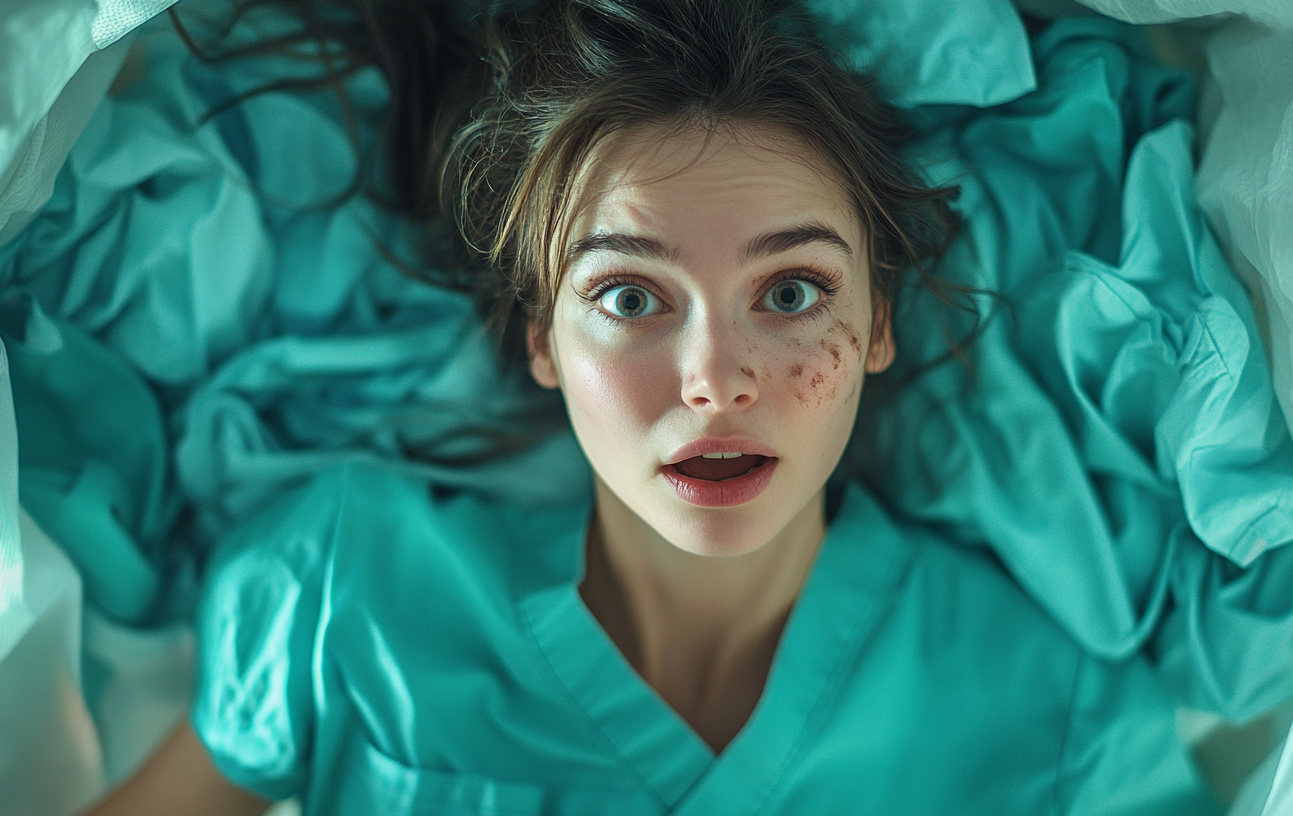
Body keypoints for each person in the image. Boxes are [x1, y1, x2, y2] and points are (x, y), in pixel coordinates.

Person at [82, 0, 1219, 813]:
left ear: (877, 324)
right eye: (630, 295)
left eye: (790, 292)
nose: (715, 379)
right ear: (539, 336)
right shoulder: (342, 602)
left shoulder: (1052, 709)